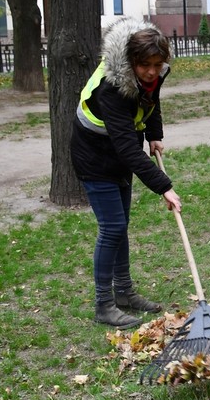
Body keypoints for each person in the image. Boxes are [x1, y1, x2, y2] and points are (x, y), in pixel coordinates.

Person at [71, 19, 182, 329]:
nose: (151, 71)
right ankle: (104, 304)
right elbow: (126, 150)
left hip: (116, 152)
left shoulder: (154, 76)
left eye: (157, 64)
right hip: (94, 156)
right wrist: (164, 187)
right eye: (144, 65)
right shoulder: (112, 87)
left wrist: (154, 133)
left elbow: (151, 101)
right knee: (112, 227)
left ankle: (124, 293)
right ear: (132, 61)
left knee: (121, 225)